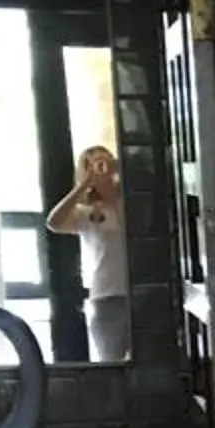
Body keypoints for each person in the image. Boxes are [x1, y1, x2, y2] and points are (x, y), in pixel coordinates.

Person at [45, 145, 131, 362]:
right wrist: (83, 186)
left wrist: (121, 169)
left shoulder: (132, 201)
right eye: (90, 165)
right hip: (107, 298)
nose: (99, 169)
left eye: (103, 162)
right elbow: (53, 222)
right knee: (113, 366)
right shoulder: (86, 213)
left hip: (142, 293)